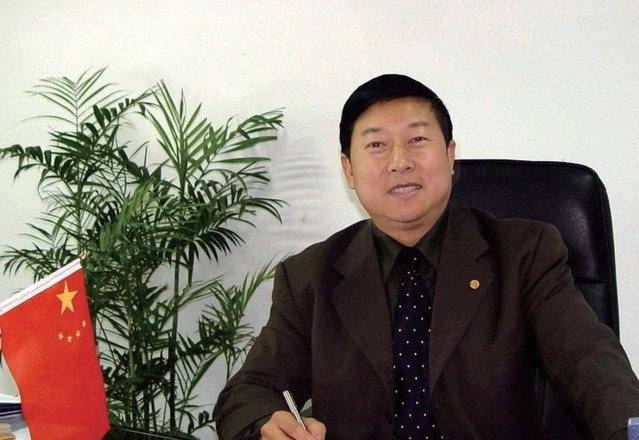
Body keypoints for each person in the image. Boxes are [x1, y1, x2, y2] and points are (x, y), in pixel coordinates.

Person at [214, 74, 639, 440]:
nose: (400, 162)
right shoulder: (309, 276)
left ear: (450, 155)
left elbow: (589, 362)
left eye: (417, 139)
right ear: (348, 170)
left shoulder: (523, 253)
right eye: (376, 144)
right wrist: (267, 422)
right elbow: (248, 392)